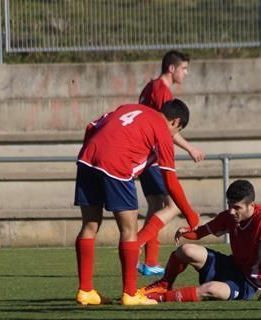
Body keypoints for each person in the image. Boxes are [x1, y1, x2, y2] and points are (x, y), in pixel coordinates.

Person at [74, 99, 200, 306]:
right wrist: (191, 216)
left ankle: (85, 290)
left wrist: (94, 152)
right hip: (116, 164)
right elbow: (170, 181)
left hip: (87, 159)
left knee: (89, 225)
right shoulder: (162, 131)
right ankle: (130, 294)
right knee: (129, 231)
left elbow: (92, 126)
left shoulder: (130, 107)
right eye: (177, 130)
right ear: (176, 121)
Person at [140, 180, 261, 303]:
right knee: (185, 250)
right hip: (230, 265)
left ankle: (157, 298)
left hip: (247, 282)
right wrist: (186, 232)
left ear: (251, 205)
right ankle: (164, 284)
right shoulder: (229, 216)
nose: (232, 211)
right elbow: (201, 232)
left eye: (237, 207)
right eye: (229, 205)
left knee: (211, 289)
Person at [136, 50, 206, 276]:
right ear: (172, 68)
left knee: (156, 206)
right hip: (152, 156)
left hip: (145, 156)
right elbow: (166, 129)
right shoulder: (163, 92)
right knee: (172, 206)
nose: (187, 73)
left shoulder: (150, 87)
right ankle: (135, 245)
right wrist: (191, 148)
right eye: (184, 68)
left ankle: (150, 261)